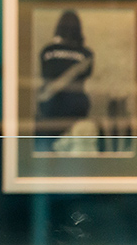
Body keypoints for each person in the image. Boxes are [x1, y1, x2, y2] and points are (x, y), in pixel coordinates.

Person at [34, 9, 93, 150]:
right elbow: (86, 76)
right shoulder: (87, 54)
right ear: (79, 29)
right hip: (76, 106)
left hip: (50, 105)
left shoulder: (47, 51)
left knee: (46, 147)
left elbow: (45, 75)